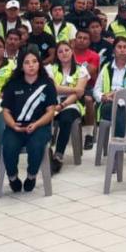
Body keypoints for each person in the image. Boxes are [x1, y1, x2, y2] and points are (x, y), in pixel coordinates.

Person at [1, 49, 58, 193]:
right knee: (8, 146)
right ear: (21, 66)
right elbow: (6, 111)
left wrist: (37, 124)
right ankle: (12, 177)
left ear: (39, 64)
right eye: (27, 62)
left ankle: (31, 176)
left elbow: (50, 112)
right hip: (16, 127)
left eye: (34, 62)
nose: (31, 65)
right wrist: (13, 125)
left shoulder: (47, 84)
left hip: (39, 126)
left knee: (36, 146)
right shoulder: (13, 84)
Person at [46, 41, 89, 172]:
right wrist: (74, 89)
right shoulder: (50, 69)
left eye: (66, 50)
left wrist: (62, 105)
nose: (64, 53)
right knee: (42, 118)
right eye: (60, 51)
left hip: (72, 104)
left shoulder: (82, 69)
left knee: (66, 119)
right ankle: (45, 151)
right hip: (52, 103)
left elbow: (79, 94)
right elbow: (54, 89)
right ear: (56, 55)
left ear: (72, 51)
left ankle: (58, 156)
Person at [93, 37, 126, 138]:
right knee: (116, 109)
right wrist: (103, 97)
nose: (122, 50)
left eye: (125, 47)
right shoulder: (106, 67)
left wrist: (114, 93)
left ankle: (117, 144)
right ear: (114, 50)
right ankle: (120, 143)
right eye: (119, 47)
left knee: (121, 109)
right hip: (108, 103)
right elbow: (96, 90)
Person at [73, 29, 100, 149]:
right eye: (79, 38)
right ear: (75, 39)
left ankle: (89, 135)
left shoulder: (94, 56)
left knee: (89, 100)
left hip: (87, 86)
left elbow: (89, 72)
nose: (82, 40)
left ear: (89, 41)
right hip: (69, 85)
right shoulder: (68, 52)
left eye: (85, 38)